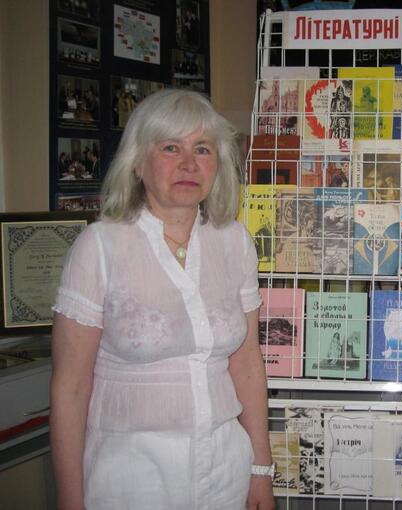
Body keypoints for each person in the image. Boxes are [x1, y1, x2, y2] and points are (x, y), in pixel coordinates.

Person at [50, 89, 275, 510]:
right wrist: (70, 500)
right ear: (137, 162)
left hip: (226, 467)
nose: (189, 164)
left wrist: (260, 468)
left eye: (202, 149)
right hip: (130, 475)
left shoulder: (234, 242)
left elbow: (247, 362)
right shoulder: (99, 247)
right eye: (171, 147)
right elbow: (70, 388)